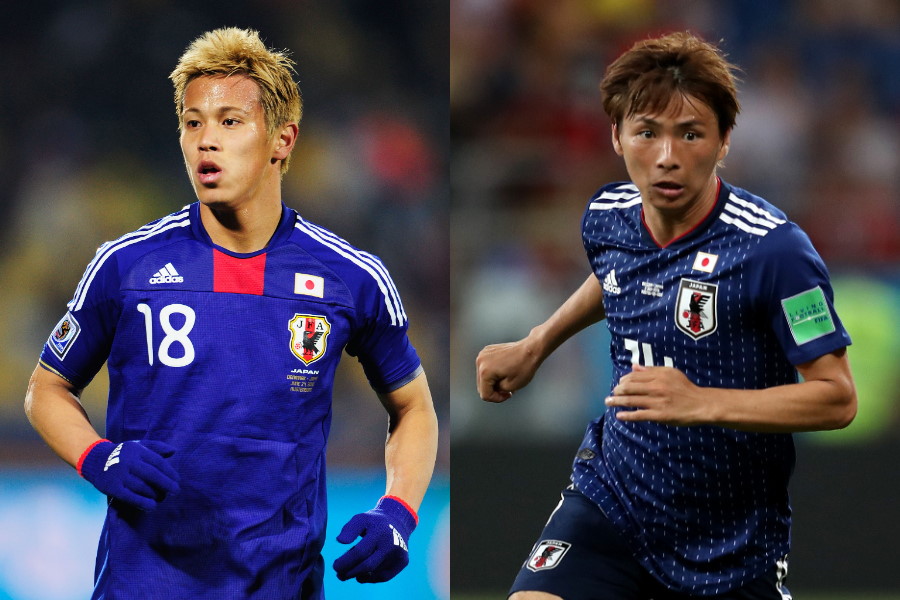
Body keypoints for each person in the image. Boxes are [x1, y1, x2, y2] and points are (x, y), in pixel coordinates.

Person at [24, 27, 438, 599]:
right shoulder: (126, 266)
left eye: (229, 122)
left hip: (279, 586)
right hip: (143, 584)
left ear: (282, 140)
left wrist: (399, 512)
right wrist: (96, 455)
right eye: (193, 123)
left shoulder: (352, 278)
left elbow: (413, 405)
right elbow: (45, 388)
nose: (205, 142)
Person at [476, 31, 856, 600]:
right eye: (647, 133)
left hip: (729, 541)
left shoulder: (776, 252)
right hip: (612, 502)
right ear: (617, 137)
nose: (667, 156)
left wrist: (702, 402)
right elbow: (616, 280)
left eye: (691, 134)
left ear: (724, 140)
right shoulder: (607, 217)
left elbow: (837, 397)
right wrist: (537, 342)